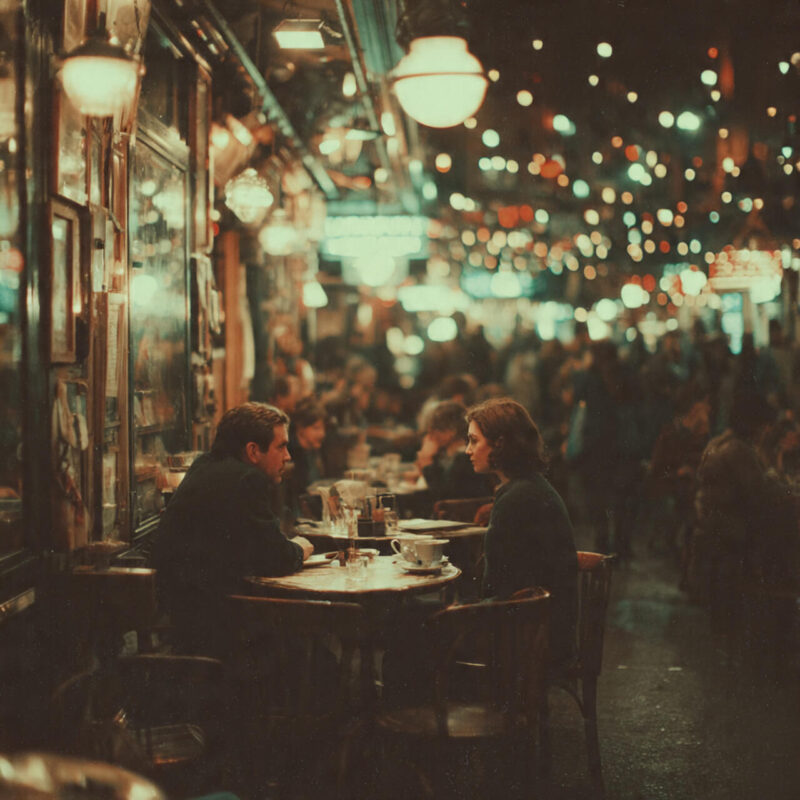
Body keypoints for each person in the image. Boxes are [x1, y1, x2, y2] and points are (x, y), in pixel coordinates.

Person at [151, 402, 313, 655]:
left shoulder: (204, 465)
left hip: (182, 624)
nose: (288, 456)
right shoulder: (247, 480)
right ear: (253, 451)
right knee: (311, 649)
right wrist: (301, 548)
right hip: (220, 632)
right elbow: (277, 558)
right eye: (281, 446)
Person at [466, 397, 578, 667]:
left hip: (528, 639)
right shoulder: (529, 486)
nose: (467, 450)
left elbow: (499, 586)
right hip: (546, 629)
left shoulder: (517, 498)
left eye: (473, 440)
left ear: (500, 444)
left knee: (411, 622)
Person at [414, 399, 493, 504]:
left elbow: (443, 496)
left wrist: (427, 463)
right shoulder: (446, 454)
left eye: (434, 429)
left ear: (451, 431)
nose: (430, 435)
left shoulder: (465, 458)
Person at [286, 396, 327, 519]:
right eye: (316, 428)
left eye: (323, 428)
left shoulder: (312, 451)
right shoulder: (293, 455)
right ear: (300, 428)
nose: (322, 433)